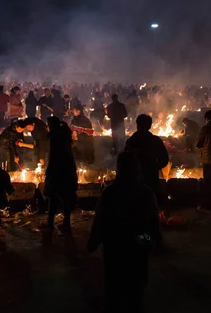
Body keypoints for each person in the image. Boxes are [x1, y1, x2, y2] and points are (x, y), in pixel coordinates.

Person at [87, 152, 162, 313]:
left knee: (114, 287)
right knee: (137, 287)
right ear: (137, 169)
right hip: (138, 243)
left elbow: (100, 220)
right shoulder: (145, 192)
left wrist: (93, 242)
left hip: (114, 245)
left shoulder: (109, 192)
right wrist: (155, 242)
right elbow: (153, 222)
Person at [43, 117, 78, 233]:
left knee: (53, 197)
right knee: (66, 197)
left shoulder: (54, 137)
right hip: (68, 169)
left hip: (57, 171)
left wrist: (48, 173)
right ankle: (66, 223)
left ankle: (50, 223)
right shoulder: (65, 135)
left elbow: (53, 157)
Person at [124, 114, 169, 200]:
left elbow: (125, 159)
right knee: (150, 201)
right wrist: (155, 167)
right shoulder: (156, 140)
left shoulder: (131, 141)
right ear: (150, 126)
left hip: (134, 178)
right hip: (151, 177)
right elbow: (164, 159)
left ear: (137, 125)